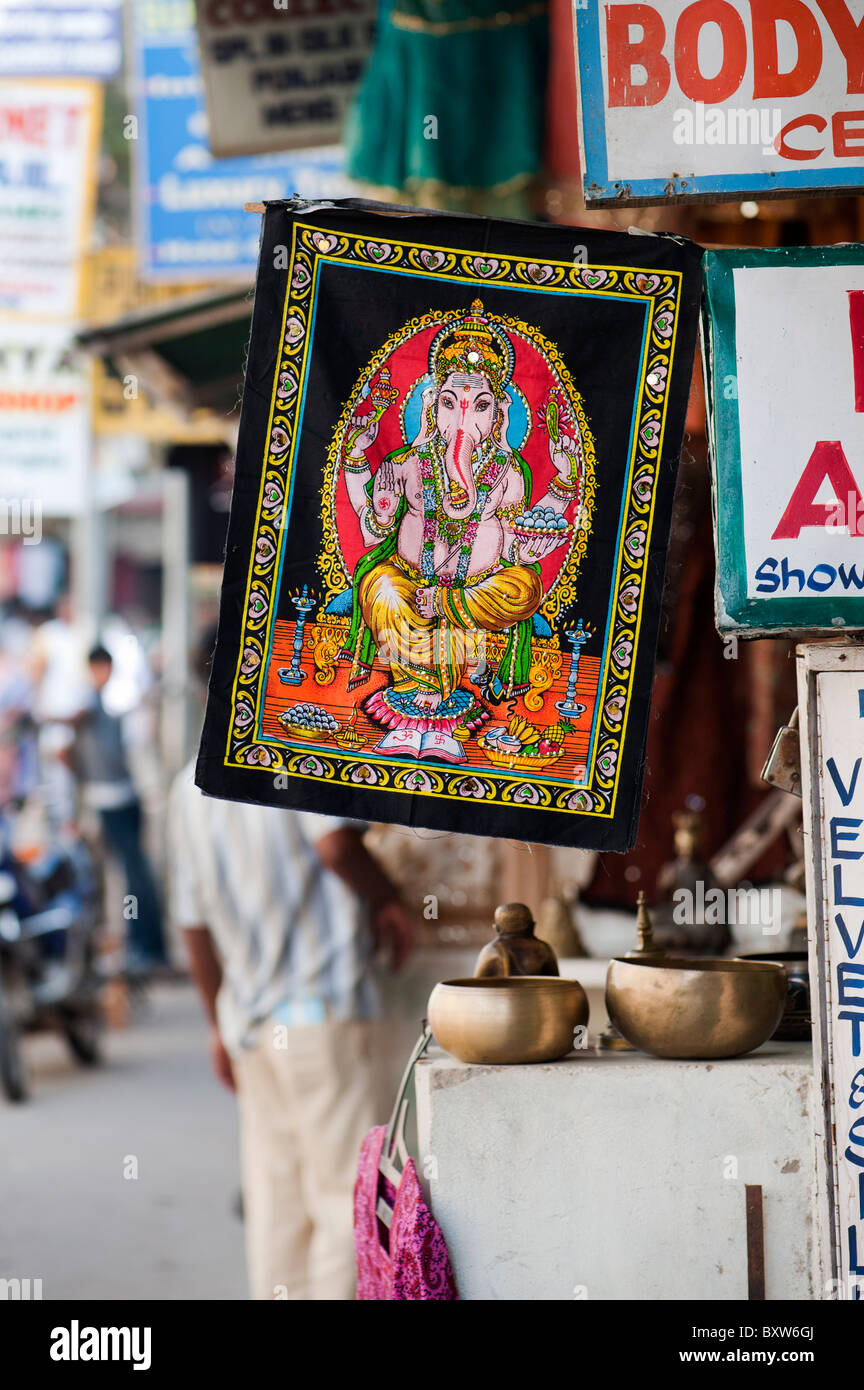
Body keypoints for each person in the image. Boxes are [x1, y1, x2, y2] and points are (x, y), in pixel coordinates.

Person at [168, 631, 415, 1301]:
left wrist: (218, 1024)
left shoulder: (186, 787)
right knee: (344, 1200)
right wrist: (390, 900)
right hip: (322, 1016)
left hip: (253, 1027)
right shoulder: (293, 750)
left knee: (278, 1207)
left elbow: (192, 924)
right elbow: (335, 846)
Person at [71, 645, 166, 971]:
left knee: (134, 876)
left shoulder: (111, 698)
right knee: (121, 875)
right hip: (108, 798)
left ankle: (147, 945)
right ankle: (137, 944)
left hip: (121, 798)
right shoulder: (91, 698)